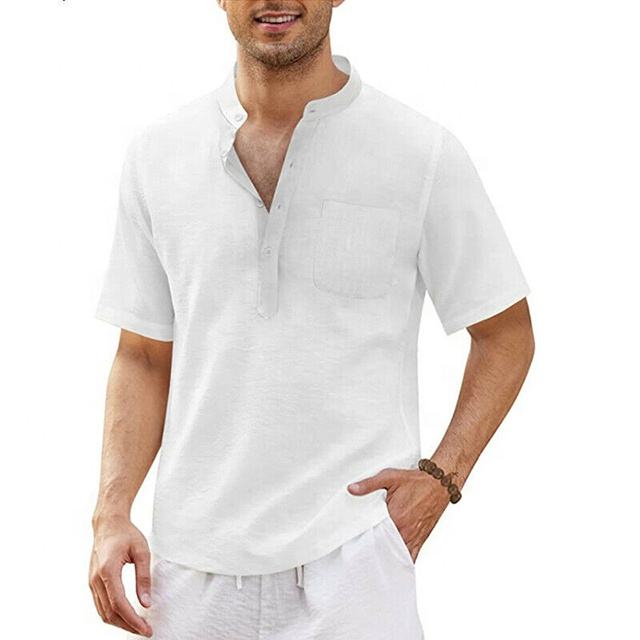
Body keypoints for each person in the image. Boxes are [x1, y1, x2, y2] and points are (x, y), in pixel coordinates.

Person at [89, 1, 535, 638]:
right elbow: (142, 354)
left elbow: (505, 333)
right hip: (188, 575)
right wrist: (111, 512)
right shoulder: (158, 156)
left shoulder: (420, 152)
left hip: (355, 563)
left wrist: (441, 478)